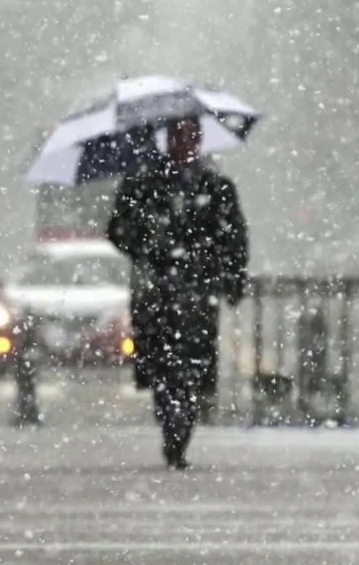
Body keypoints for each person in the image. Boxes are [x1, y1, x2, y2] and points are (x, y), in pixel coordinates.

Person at [106, 117, 248, 469]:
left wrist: (228, 278)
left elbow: (234, 240)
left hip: (196, 296)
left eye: (192, 136)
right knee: (163, 370)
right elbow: (118, 230)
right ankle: (172, 426)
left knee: (190, 371)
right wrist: (151, 241)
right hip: (156, 297)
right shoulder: (141, 185)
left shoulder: (216, 188)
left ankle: (178, 431)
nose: (186, 144)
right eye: (179, 136)